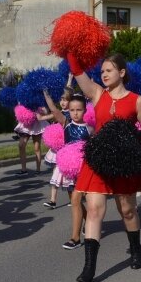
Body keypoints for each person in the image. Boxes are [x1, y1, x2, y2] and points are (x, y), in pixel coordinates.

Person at [70, 53, 141, 282]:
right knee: (95, 209)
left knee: (127, 211)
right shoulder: (98, 94)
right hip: (97, 161)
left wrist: (128, 138)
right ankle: (89, 268)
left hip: (124, 162)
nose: (104, 74)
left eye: (109, 70)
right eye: (102, 71)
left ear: (122, 73)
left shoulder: (137, 100)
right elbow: (78, 73)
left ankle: (136, 250)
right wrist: (69, 49)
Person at [43, 90, 92, 249]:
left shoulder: (90, 128)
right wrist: (46, 93)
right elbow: (54, 110)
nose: (75, 113)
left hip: (86, 170)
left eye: (79, 109)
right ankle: (86, 223)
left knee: (78, 200)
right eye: (72, 110)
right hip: (70, 171)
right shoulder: (66, 123)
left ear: (85, 110)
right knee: (75, 201)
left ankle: (75, 238)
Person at [43, 89, 73, 209]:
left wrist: (46, 95)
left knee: (69, 176)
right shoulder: (61, 113)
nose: (62, 102)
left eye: (65, 100)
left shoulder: (70, 115)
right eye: (61, 99)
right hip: (59, 149)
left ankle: (73, 199)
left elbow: (53, 110)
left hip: (69, 150)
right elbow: (52, 113)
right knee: (56, 174)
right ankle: (52, 201)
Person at [14, 105, 50, 175]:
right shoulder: (22, 96)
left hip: (37, 124)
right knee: (21, 145)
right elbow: (19, 106)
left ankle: (38, 169)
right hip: (26, 123)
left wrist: (39, 111)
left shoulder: (39, 98)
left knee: (36, 147)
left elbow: (45, 111)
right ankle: (23, 170)